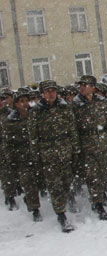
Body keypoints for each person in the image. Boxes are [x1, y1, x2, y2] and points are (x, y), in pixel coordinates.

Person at [28, 80, 80, 232]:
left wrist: (75, 149)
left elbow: (72, 130)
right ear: (42, 94)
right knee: (54, 185)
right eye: (47, 91)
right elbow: (33, 137)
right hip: (47, 153)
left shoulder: (65, 108)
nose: (50, 94)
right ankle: (61, 214)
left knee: (66, 181)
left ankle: (66, 201)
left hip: (65, 150)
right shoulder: (36, 112)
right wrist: (36, 156)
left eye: (53, 90)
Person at [72, 75, 107, 220]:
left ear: (93, 87)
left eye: (86, 84)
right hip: (86, 145)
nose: (82, 87)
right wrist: (76, 147)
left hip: (102, 143)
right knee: (92, 175)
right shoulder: (75, 105)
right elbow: (73, 128)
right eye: (81, 84)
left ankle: (99, 195)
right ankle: (98, 203)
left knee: (103, 174)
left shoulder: (102, 102)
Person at [1, 88, 42, 220]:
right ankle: (35, 209)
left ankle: (30, 199)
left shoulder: (35, 115)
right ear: (16, 103)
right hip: (22, 156)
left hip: (37, 154)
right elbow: (7, 143)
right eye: (21, 101)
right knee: (29, 183)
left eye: (27, 101)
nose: (25, 104)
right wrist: (11, 159)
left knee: (40, 181)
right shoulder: (11, 121)